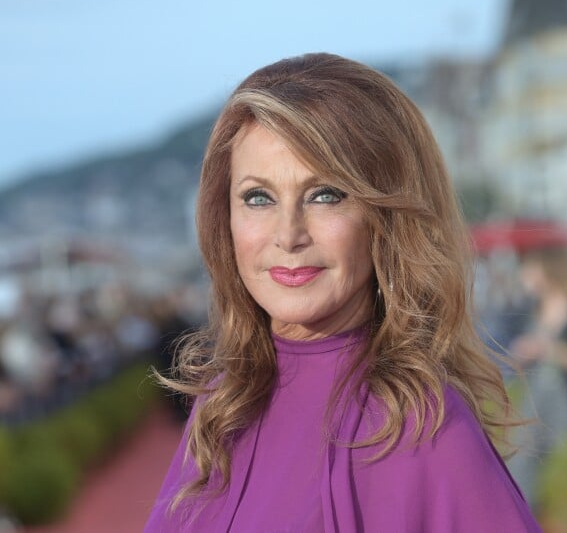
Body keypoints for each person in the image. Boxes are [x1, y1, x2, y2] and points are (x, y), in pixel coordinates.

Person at [145, 53, 540, 532]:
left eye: (325, 194)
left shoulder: (425, 430)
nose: (288, 235)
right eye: (258, 197)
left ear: (384, 218)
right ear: (223, 220)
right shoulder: (222, 403)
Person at [509, 248, 567, 508]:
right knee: (524, 464)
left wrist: (548, 349)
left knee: (561, 473)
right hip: (535, 402)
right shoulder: (534, 308)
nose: (525, 275)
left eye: (530, 267)